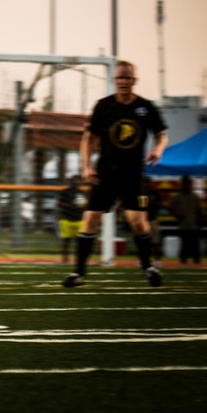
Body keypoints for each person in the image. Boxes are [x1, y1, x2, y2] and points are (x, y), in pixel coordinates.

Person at [63, 60, 168, 288]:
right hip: (105, 174)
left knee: (137, 222)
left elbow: (162, 134)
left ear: (134, 81)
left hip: (132, 174)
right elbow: (88, 139)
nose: (123, 82)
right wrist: (86, 167)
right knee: (90, 219)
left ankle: (148, 266)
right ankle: (78, 274)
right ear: (114, 80)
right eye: (120, 77)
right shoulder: (103, 106)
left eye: (127, 78)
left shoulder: (146, 107)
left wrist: (158, 149)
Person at [169, 175, 202, 266]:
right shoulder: (178, 196)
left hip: (193, 222)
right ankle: (184, 261)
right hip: (183, 223)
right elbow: (171, 206)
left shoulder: (195, 196)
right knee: (184, 243)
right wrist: (177, 215)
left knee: (195, 244)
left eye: (187, 184)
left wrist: (199, 222)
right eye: (184, 184)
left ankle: (196, 261)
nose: (186, 186)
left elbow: (198, 210)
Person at [56, 175, 86, 263]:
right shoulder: (65, 192)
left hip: (79, 220)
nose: (76, 183)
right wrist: (71, 205)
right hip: (66, 219)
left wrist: (82, 206)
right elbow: (59, 204)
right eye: (74, 181)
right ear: (71, 182)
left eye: (78, 181)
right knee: (66, 241)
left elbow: (85, 205)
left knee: (80, 242)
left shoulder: (82, 193)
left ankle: (79, 260)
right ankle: (65, 260)